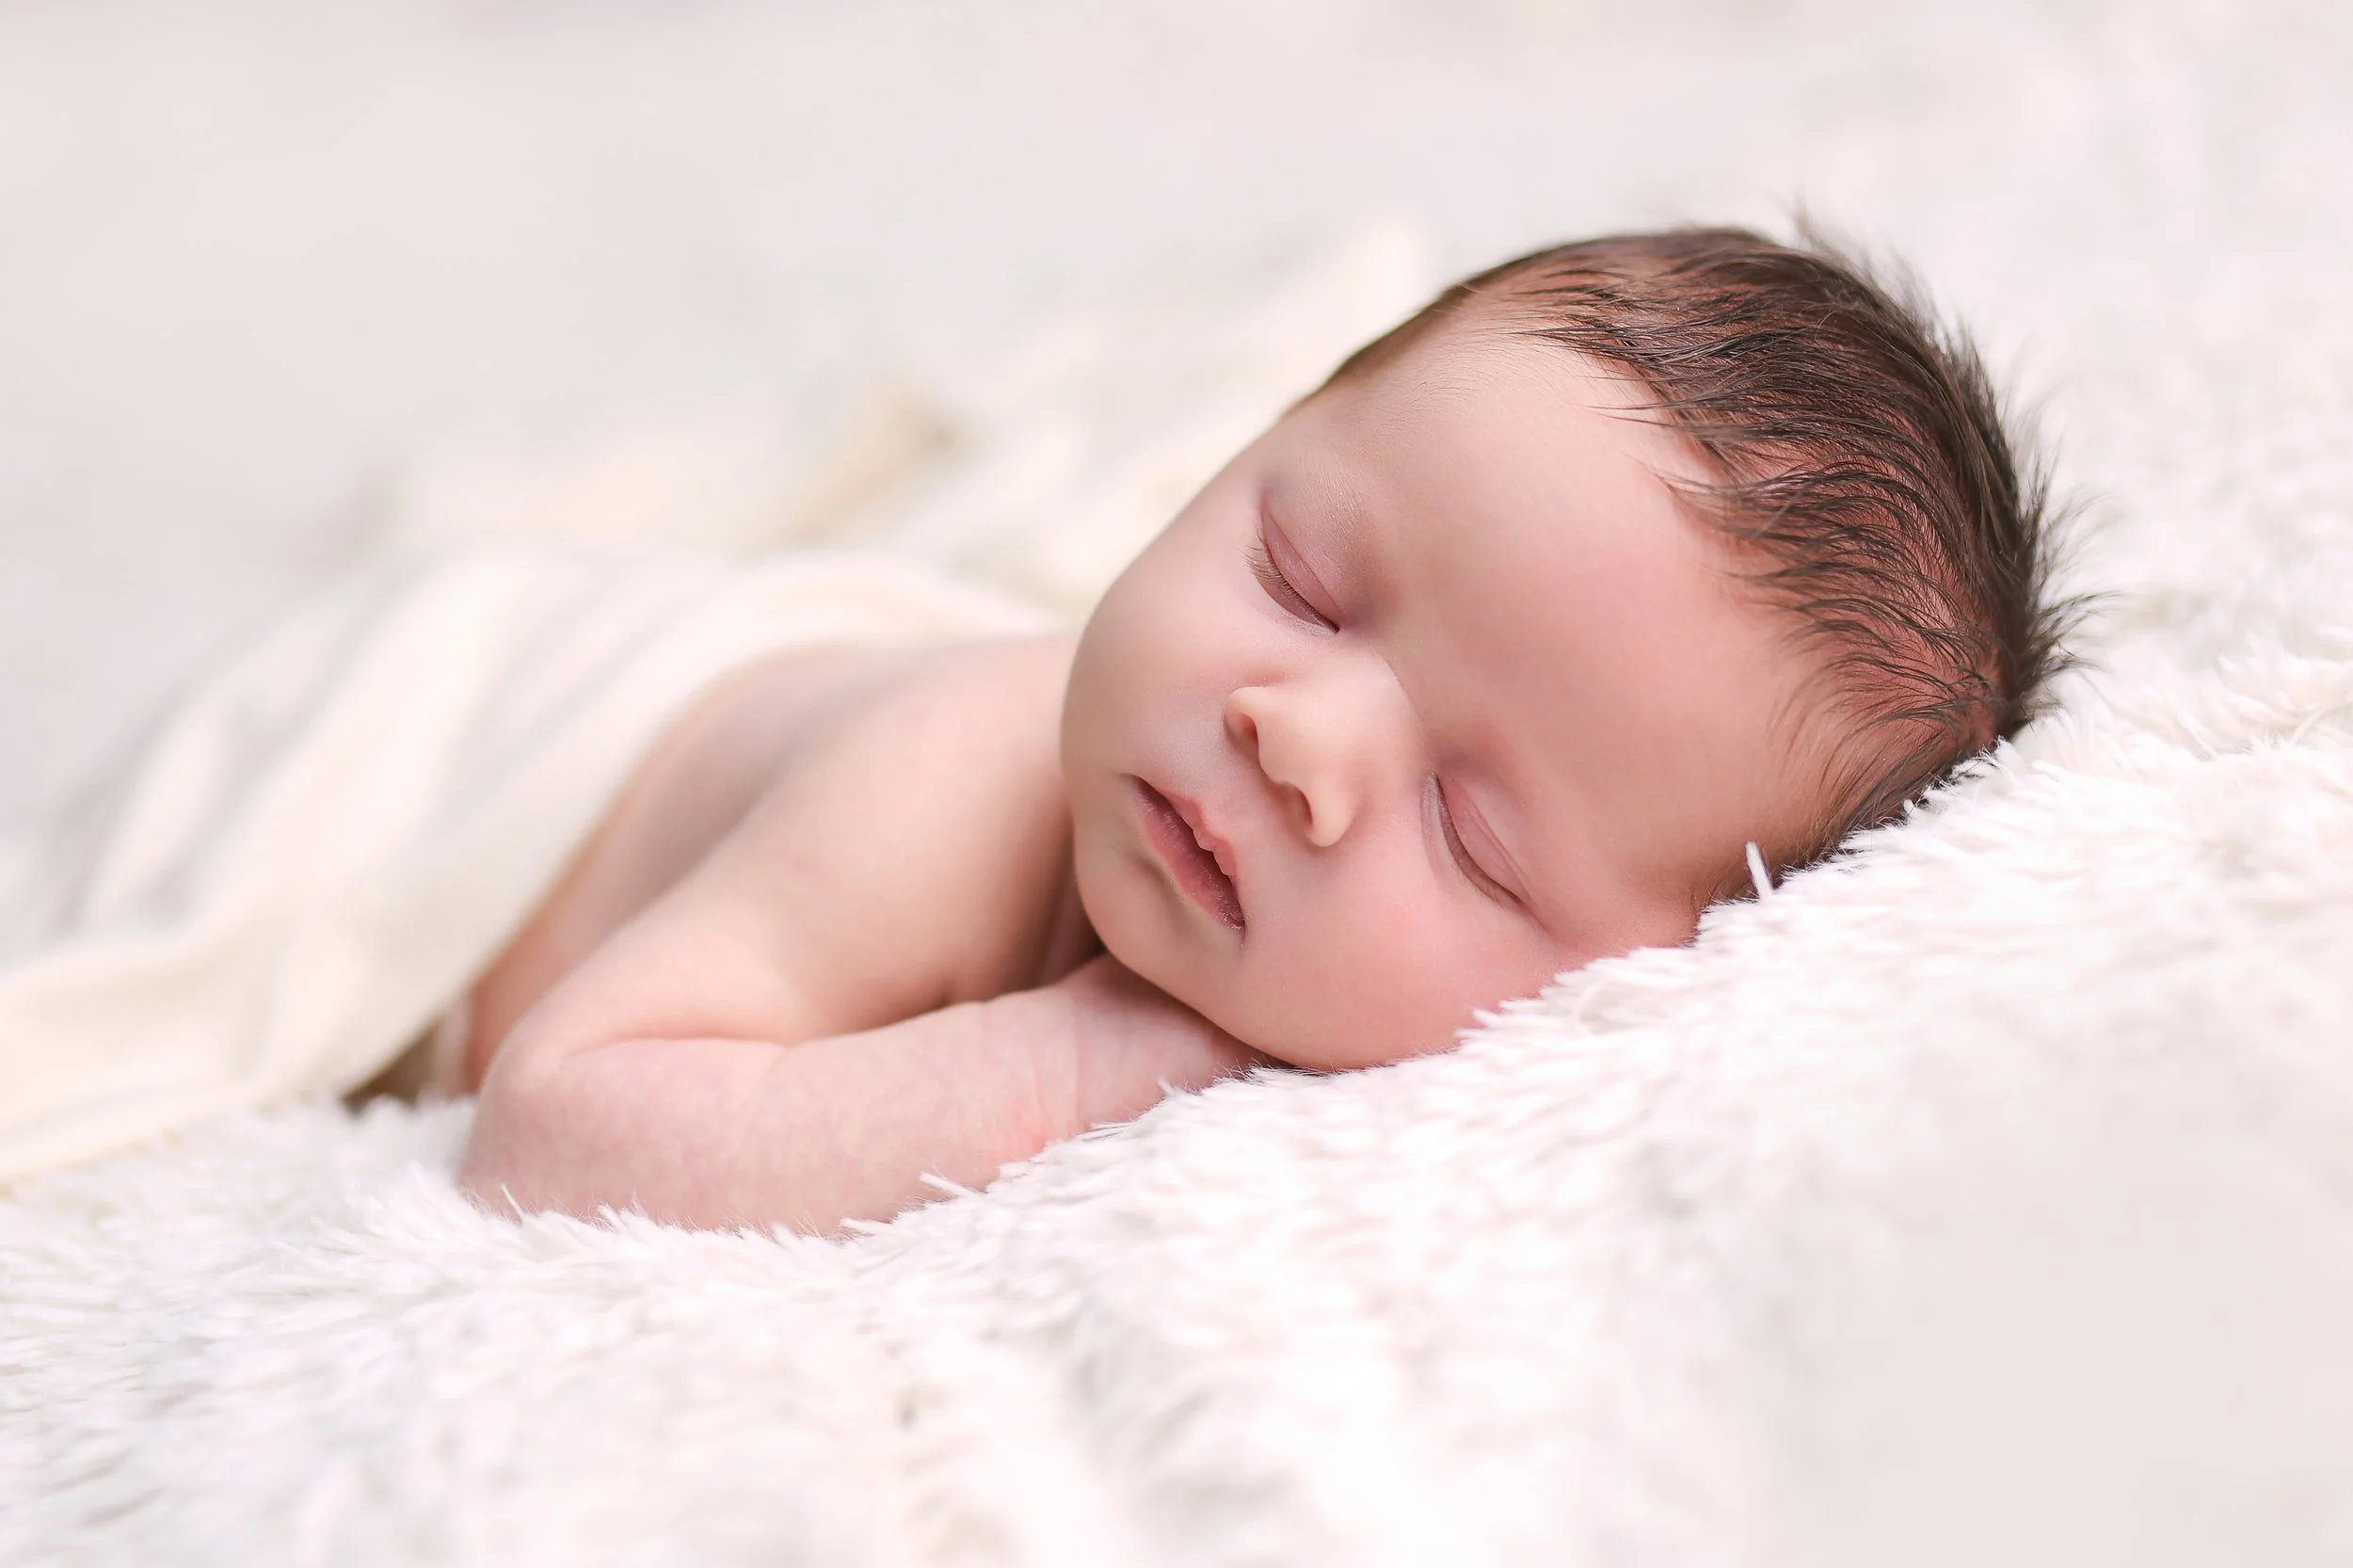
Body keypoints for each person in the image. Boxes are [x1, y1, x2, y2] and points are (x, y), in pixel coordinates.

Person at [448, 227, 2067, 1235]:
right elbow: (551, 1123)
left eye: (1467, 830)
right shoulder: (936, 788)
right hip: (496, 731)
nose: (1296, 742)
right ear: (1262, 439)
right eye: (1301, 578)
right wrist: (1067, 1059)